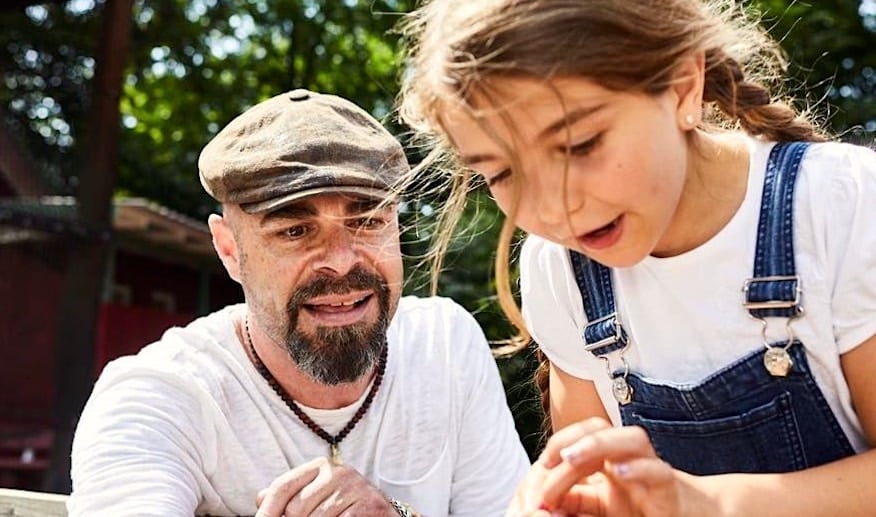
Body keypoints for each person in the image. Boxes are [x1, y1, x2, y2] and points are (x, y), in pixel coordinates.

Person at [396, 0, 876, 515]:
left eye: (579, 145)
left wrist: (709, 505)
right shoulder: (557, 266)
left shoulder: (836, 201)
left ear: (684, 87)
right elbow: (595, 484)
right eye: (501, 173)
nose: (553, 208)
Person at [67, 89, 530, 516]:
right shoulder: (161, 395)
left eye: (367, 220)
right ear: (230, 250)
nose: (341, 262)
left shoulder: (444, 346)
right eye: (294, 231)